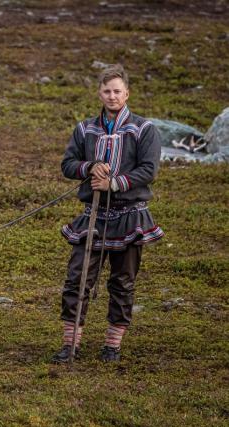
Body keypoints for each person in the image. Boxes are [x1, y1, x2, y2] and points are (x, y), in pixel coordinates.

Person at [52, 64, 164, 363]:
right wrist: (89, 168)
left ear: (126, 93)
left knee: (122, 281)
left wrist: (114, 182)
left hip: (130, 215)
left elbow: (149, 170)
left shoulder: (144, 129)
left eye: (117, 91)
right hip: (93, 215)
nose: (112, 96)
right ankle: (70, 345)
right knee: (77, 279)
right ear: (99, 94)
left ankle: (112, 346)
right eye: (106, 91)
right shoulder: (85, 128)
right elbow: (67, 165)